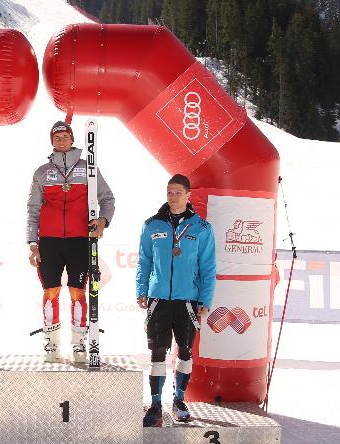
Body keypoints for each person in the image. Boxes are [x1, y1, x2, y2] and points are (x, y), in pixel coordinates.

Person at [26, 120, 115, 363]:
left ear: (72, 139)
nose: (61, 140)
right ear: (51, 141)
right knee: (50, 292)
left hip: (79, 240)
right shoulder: (42, 172)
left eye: (65, 136)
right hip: (49, 242)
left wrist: (103, 220)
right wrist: (32, 243)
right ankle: (51, 344)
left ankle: (78, 344)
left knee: (77, 292)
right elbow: (33, 209)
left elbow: (107, 198)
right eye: (57, 137)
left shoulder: (89, 168)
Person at [135, 174, 216, 427]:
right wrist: (141, 289)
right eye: (169, 192)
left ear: (188, 195)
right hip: (159, 298)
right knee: (157, 351)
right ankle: (155, 404)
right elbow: (144, 261)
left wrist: (205, 298)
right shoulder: (151, 225)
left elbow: (208, 267)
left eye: (178, 192)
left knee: (185, 350)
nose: (173, 197)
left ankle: (179, 400)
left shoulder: (202, 228)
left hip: (188, 300)